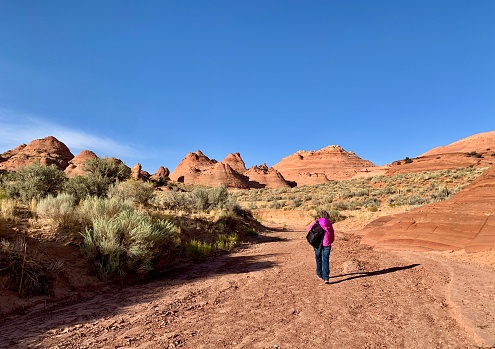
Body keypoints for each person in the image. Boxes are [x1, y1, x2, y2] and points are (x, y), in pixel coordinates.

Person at [308, 210, 335, 284]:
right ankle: (326, 278)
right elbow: (332, 234)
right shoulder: (329, 223)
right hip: (327, 244)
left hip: (317, 243)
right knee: (326, 260)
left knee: (318, 258)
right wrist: (330, 241)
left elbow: (310, 229)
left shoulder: (317, 222)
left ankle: (319, 274)